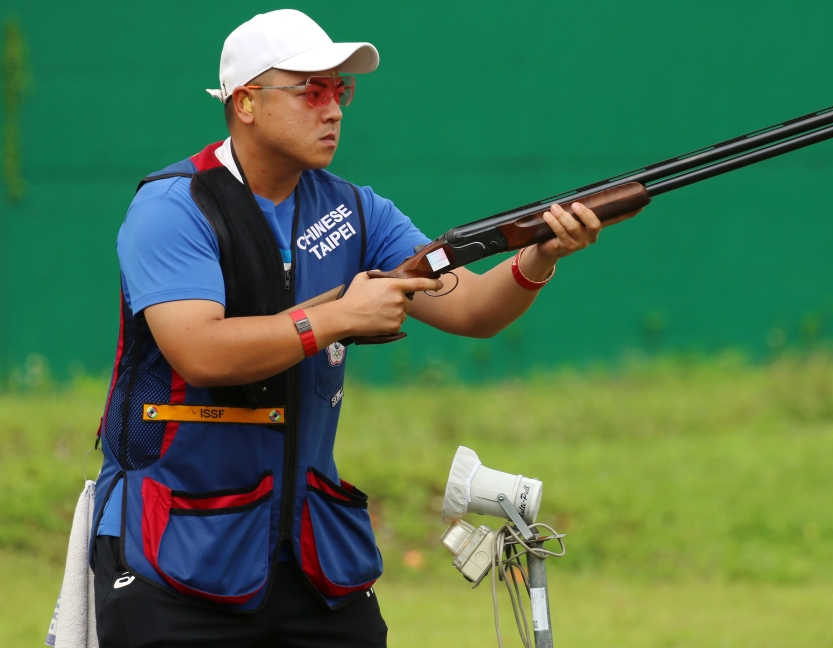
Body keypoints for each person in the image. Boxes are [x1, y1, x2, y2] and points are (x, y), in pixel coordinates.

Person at [90, 9, 627, 648]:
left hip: (309, 554)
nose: (335, 109)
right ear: (246, 102)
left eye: (340, 90)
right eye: (311, 90)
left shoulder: (353, 208)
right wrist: (341, 315)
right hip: (176, 549)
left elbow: (472, 309)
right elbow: (199, 350)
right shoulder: (174, 208)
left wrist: (540, 254)